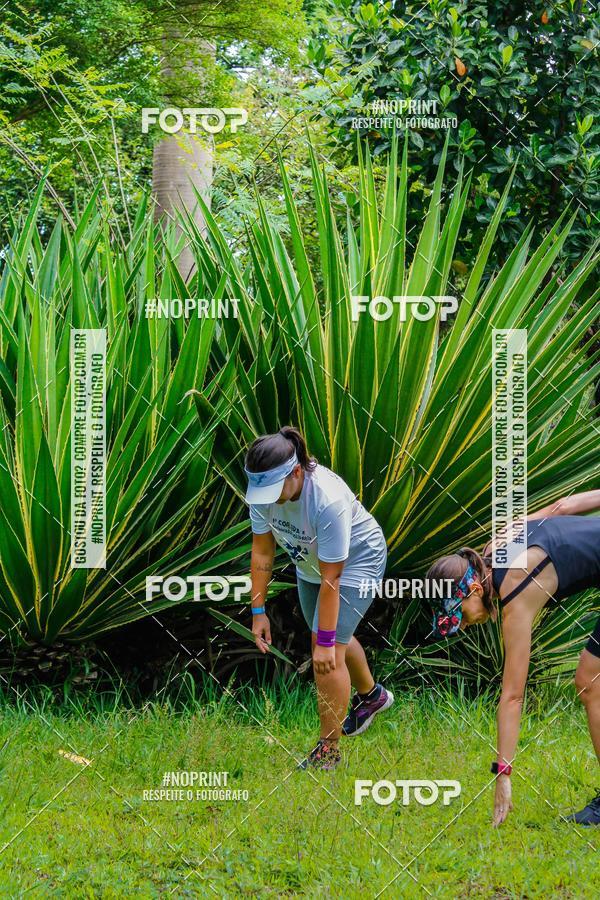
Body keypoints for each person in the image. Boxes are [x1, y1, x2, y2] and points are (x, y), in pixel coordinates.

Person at [426, 489, 600, 826]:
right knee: (590, 681)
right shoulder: (495, 547)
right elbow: (561, 506)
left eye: (460, 614)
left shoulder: (516, 592)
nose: (463, 625)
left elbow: (512, 696)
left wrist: (502, 776)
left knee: (589, 681)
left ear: (475, 590)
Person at [244, 425, 394, 770]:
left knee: (326, 649)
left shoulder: (327, 500)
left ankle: (328, 751)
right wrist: (258, 610)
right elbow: (263, 554)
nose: (265, 500)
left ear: (296, 473)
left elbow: (333, 579)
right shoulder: (263, 495)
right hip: (310, 565)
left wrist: (325, 644)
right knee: (330, 637)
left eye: (272, 491)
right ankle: (372, 697)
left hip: (357, 562)